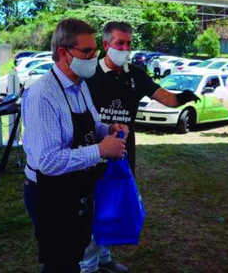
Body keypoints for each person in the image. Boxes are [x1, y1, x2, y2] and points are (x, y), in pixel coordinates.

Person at [82, 21, 201, 273]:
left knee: (114, 204)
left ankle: (104, 258)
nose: (125, 48)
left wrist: (185, 97)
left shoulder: (135, 74)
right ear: (106, 45)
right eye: (119, 43)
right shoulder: (90, 73)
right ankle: (87, 266)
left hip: (123, 152)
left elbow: (165, 97)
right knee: (94, 207)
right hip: (95, 150)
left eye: (128, 43)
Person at [21, 18, 129, 273]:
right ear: (63, 53)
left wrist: (109, 129)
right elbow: (48, 162)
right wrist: (101, 150)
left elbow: (92, 123)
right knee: (60, 260)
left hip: (76, 185)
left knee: (76, 249)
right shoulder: (42, 96)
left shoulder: (80, 86)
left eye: (95, 51)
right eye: (87, 52)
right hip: (49, 191)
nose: (94, 57)